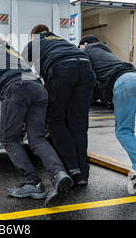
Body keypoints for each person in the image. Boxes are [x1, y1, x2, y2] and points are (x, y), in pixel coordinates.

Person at [0, 33, 73, 206]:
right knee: (37, 138)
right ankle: (59, 174)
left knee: (9, 138)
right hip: (38, 89)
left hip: (17, 89)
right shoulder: (14, 53)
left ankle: (33, 183)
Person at [22, 25, 96, 186]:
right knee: (79, 124)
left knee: (56, 121)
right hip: (85, 68)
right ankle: (83, 174)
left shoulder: (35, 42)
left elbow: (21, 66)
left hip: (61, 70)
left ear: (34, 35)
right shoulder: (61, 41)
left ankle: (72, 167)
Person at [79, 35, 136, 182]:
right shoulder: (106, 53)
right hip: (133, 76)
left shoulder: (87, 52)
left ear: (84, 45)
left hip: (124, 84)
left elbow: (88, 79)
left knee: (124, 131)